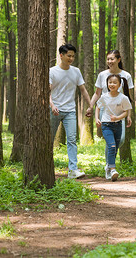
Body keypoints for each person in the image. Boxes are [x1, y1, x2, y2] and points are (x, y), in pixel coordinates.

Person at [50, 44, 92, 179]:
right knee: (48, 139)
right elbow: (47, 91)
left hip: (70, 111)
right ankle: (47, 166)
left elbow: (83, 90)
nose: (71, 58)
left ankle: (73, 170)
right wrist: (52, 105)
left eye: (73, 56)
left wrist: (90, 105)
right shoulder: (52, 71)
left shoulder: (76, 71)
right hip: (54, 110)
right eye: (69, 55)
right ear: (61, 55)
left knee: (72, 140)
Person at [95, 74, 132, 181]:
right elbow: (98, 107)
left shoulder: (123, 98)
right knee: (111, 146)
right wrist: (97, 118)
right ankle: (112, 169)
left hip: (118, 125)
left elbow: (126, 111)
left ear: (120, 85)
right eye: (110, 82)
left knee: (115, 147)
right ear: (107, 84)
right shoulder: (104, 97)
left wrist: (117, 118)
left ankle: (108, 166)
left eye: (115, 82)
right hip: (106, 124)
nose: (112, 84)